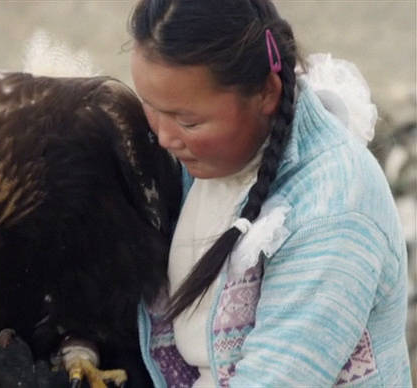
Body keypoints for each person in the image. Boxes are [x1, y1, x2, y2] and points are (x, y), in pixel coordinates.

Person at [128, 0, 412, 387]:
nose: (163, 136)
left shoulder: (335, 213)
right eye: (151, 106)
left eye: (187, 120)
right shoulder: (213, 157)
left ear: (267, 91)